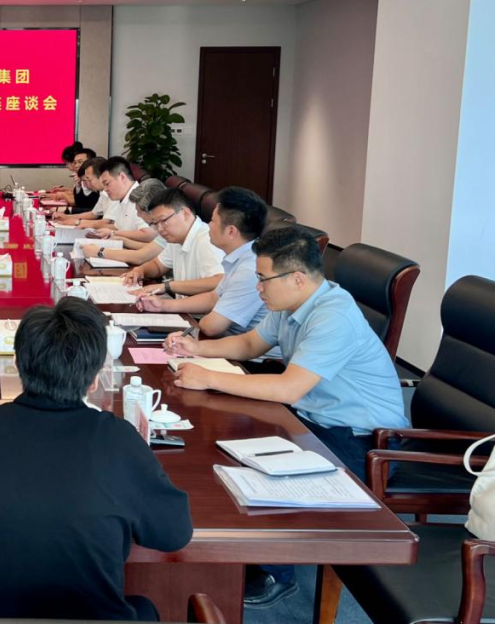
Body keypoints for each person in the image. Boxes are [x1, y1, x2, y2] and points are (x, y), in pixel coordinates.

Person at [166, 225, 408, 609]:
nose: (258, 288)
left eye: (263, 279)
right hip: (314, 416)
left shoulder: (333, 316)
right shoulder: (293, 304)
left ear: (297, 278)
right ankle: (237, 546)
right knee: (229, 434)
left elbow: (288, 389)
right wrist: (196, 348)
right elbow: (250, 343)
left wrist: (208, 377)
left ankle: (276, 572)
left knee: (268, 466)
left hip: (363, 438)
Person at [0, 298, 192, 621]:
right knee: (145, 609)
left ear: (18, 364)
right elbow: (173, 533)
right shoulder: (120, 439)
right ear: (94, 378)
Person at [136, 186, 269, 338]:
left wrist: (202, 318)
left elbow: (211, 327)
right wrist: (162, 305)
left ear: (231, 231)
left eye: (213, 221)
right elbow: (213, 298)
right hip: (224, 340)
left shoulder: (250, 269)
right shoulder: (238, 259)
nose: (208, 225)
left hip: (240, 349)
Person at [122, 188, 225, 297]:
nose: (160, 229)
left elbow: (219, 280)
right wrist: (140, 270)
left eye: (163, 221)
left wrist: (168, 286)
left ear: (185, 213)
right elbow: (158, 265)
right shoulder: (175, 238)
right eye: (155, 223)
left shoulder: (207, 240)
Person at [80, 178, 167, 266]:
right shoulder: (164, 226)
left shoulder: (166, 227)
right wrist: (124, 241)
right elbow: (154, 248)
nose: (138, 215)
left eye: (139, 211)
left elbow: (140, 256)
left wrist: (99, 252)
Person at [53, 156, 111, 226]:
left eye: (89, 180)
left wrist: (77, 222)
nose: (87, 184)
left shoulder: (112, 193)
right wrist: (67, 217)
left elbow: (108, 222)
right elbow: (94, 214)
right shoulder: (103, 192)